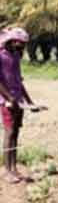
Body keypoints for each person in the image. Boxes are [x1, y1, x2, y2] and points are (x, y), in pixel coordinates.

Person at [0, 27, 38, 183]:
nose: (23, 47)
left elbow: (19, 81)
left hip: (18, 101)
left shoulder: (15, 56)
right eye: (21, 43)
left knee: (16, 132)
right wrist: (9, 98)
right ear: (13, 41)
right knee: (9, 133)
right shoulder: (1, 56)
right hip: (6, 101)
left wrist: (29, 101)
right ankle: (7, 170)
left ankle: (14, 168)